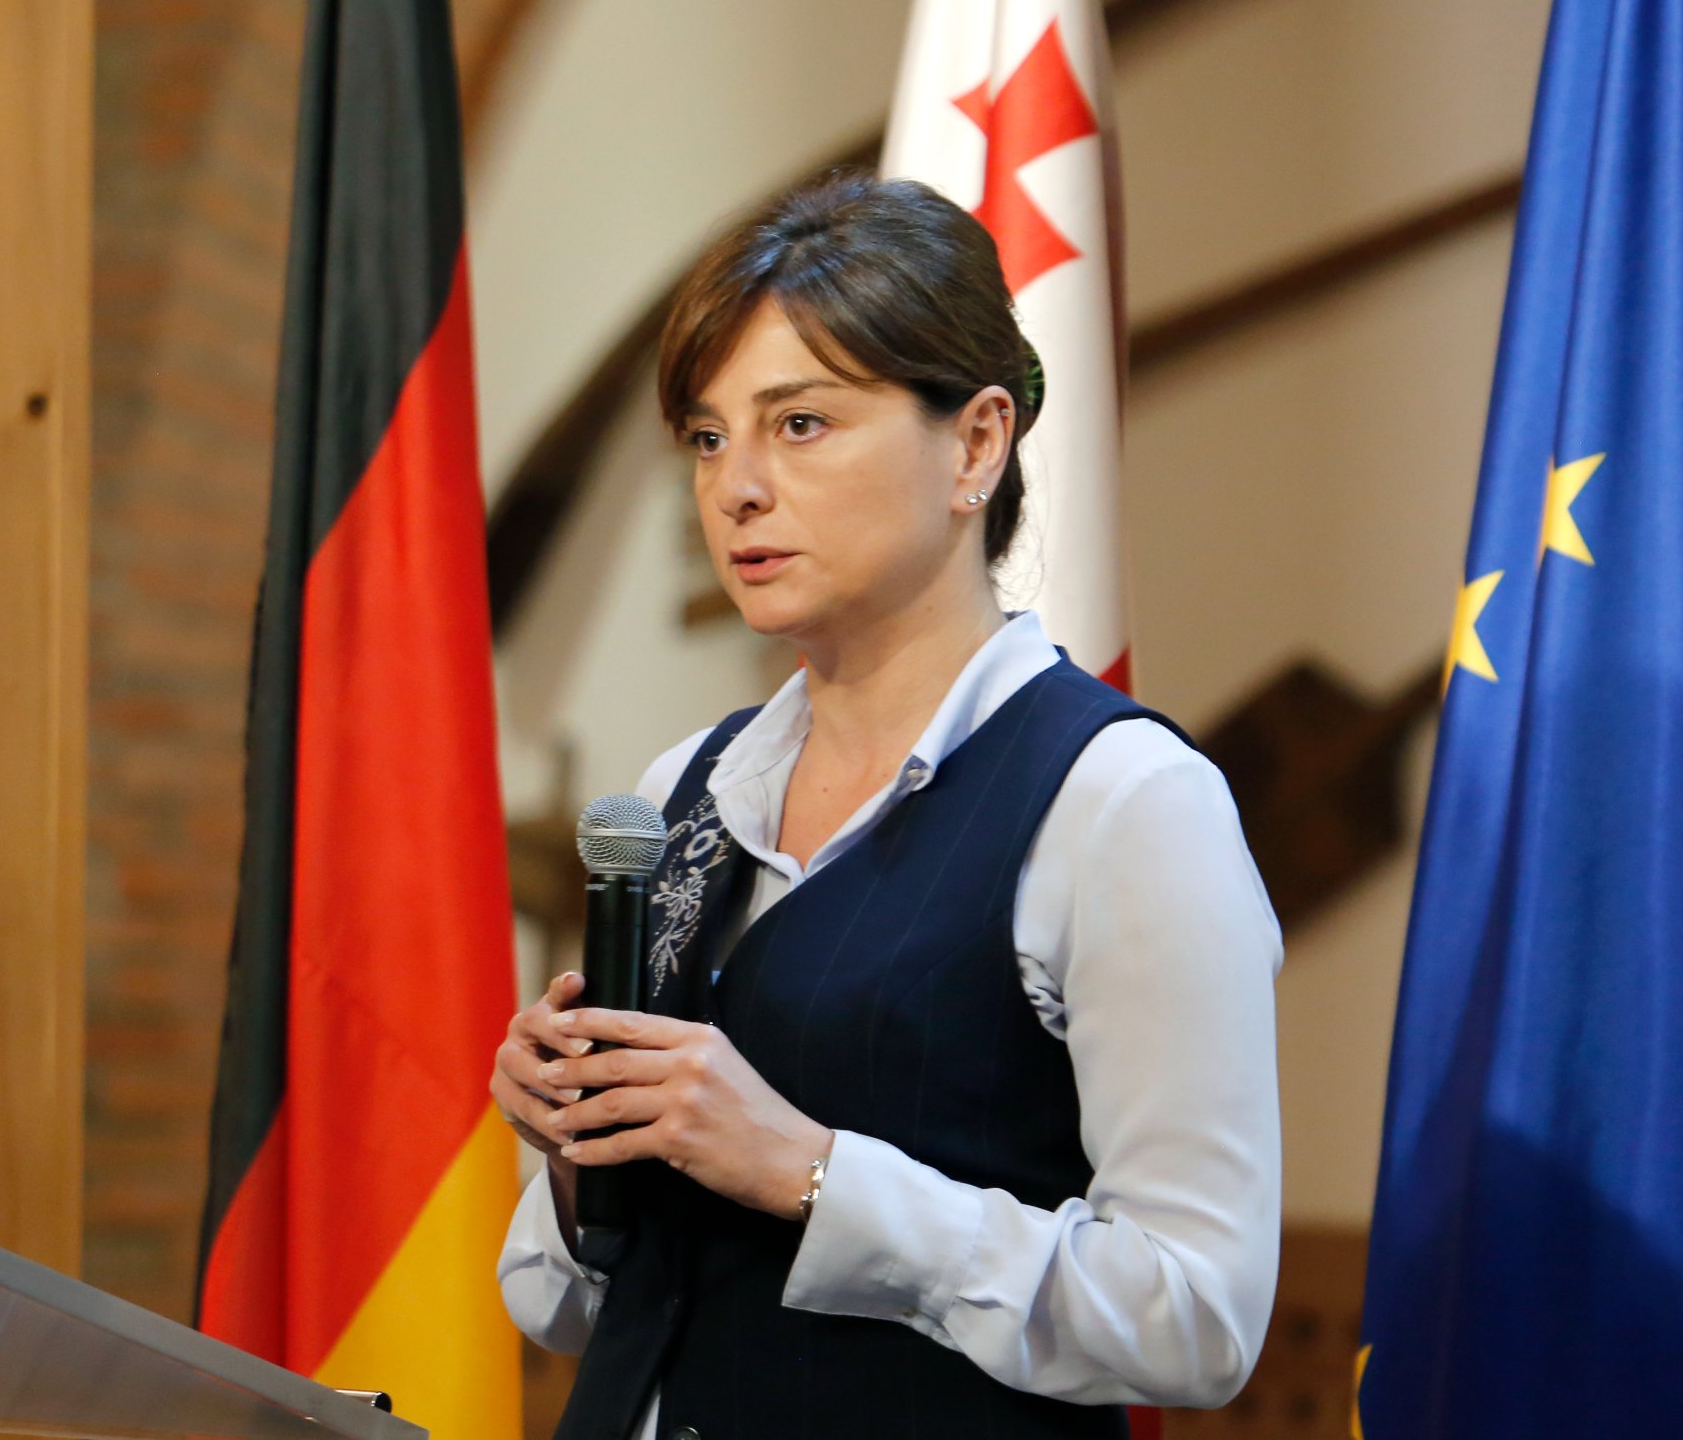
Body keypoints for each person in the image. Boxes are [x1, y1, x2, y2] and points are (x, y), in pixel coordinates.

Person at [489, 170, 1281, 1440]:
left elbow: (1194, 1315)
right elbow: (559, 1301)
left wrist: (809, 1170)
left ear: (974, 444)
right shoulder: (680, 787)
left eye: (798, 423)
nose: (734, 487)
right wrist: (581, 1149)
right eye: (706, 437)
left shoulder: (1121, 799)